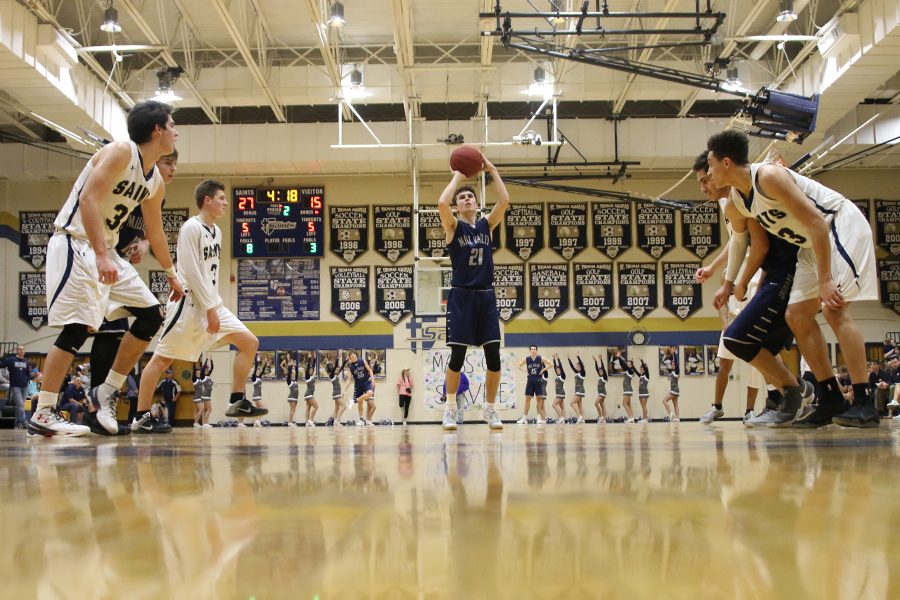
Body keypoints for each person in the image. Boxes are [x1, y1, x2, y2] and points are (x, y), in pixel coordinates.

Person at [29, 100, 185, 438]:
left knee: (151, 316)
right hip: (76, 241)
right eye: (172, 124)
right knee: (78, 328)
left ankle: (107, 390)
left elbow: (155, 231)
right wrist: (101, 255)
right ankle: (43, 412)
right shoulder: (120, 152)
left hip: (107, 249)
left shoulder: (154, 178)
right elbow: (88, 199)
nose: (176, 131)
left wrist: (171, 274)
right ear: (157, 129)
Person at [707, 129, 878, 428]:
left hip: (837, 226)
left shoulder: (769, 177)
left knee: (835, 309)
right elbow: (738, 241)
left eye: (709, 165)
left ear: (726, 162)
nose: (707, 173)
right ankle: (830, 398)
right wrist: (729, 282)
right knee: (797, 315)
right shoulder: (737, 201)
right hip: (811, 243)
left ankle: (864, 400)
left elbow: (816, 223)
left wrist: (825, 280)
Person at [132, 179, 265, 433]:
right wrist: (210, 308)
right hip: (188, 305)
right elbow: (192, 272)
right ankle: (140, 415)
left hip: (212, 303)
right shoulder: (191, 228)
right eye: (221, 198)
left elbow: (209, 275)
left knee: (249, 342)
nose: (226, 202)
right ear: (207, 200)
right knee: (161, 359)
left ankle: (237, 400)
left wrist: (214, 306)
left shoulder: (217, 231)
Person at [86, 149, 179, 433]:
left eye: (175, 164)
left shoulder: (155, 192)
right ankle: (93, 410)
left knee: (127, 331)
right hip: (98, 258)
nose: (172, 168)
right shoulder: (129, 180)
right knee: (94, 333)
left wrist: (146, 245)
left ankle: (108, 406)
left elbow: (152, 232)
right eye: (167, 162)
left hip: (119, 265)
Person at [437, 156, 510, 431]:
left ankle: (490, 410)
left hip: (486, 296)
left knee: (494, 356)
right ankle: (451, 409)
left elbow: (504, 202)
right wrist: (457, 176)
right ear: (458, 206)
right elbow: (441, 204)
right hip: (461, 297)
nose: (467, 199)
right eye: (463, 198)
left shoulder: (485, 226)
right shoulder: (454, 227)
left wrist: (492, 169)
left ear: (476, 204)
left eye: (471, 197)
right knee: (457, 357)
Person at [693, 152, 764, 423]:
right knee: (726, 358)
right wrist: (714, 269)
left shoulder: (743, 194)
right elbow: (735, 240)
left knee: (760, 355)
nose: (703, 187)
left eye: (705, 179)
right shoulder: (726, 203)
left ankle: (759, 406)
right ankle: (718, 405)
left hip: (752, 279)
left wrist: (738, 280)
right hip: (736, 281)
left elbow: (753, 243)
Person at [516, 345, 553, 424]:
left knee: (539, 399)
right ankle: (524, 418)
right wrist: (524, 370)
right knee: (527, 399)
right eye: (532, 349)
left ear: (536, 350)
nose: (533, 350)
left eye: (534, 349)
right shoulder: (526, 359)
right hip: (530, 380)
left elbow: (551, 364)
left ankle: (538, 418)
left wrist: (544, 369)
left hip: (538, 380)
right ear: (530, 350)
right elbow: (518, 365)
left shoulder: (540, 358)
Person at [1, 345, 33, 429]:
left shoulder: (26, 361)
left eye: (23, 349)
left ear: (24, 351)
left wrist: (27, 380)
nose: (21, 351)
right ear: (17, 350)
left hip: (25, 386)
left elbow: (28, 373)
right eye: (19, 349)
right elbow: (2, 364)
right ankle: (25, 422)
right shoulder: (11, 359)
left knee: (21, 406)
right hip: (15, 386)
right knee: (20, 405)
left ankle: (17, 423)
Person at [342, 350, 376, 427]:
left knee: (370, 393)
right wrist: (344, 390)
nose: (353, 356)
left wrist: (373, 379)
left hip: (366, 382)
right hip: (358, 385)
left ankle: (354, 401)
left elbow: (370, 370)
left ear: (356, 355)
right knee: (360, 403)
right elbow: (349, 379)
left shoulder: (362, 361)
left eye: (354, 354)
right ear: (350, 357)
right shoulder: (350, 367)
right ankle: (361, 420)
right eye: (351, 355)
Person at [328, 352, 348, 426]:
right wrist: (338, 358)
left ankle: (335, 422)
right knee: (344, 406)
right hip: (336, 394)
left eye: (338, 370)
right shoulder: (332, 375)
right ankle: (337, 420)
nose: (337, 370)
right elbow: (336, 365)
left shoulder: (336, 375)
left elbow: (342, 367)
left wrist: (346, 360)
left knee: (336, 408)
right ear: (334, 369)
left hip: (337, 393)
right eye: (336, 369)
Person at [567, 354, 587, 424]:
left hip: (580, 390)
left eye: (579, 366)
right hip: (577, 391)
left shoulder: (583, 373)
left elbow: (581, 364)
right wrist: (568, 359)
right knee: (580, 405)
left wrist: (578, 357)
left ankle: (579, 416)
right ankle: (583, 419)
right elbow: (572, 367)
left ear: (581, 367)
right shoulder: (577, 372)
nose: (578, 367)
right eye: (577, 366)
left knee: (572, 403)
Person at [551, 354, 567, 424]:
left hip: (561, 393)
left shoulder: (562, 376)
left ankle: (561, 417)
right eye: (557, 370)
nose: (557, 371)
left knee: (554, 405)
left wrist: (558, 359)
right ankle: (562, 419)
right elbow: (555, 367)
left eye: (558, 370)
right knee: (562, 407)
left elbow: (561, 367)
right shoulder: (557, 376)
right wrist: (554, 359)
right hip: (558, 393)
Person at [302, 359, 318, 427]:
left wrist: (314, 358)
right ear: (308, 371)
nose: (311, 371)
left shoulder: (311, 376)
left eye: (312, 370)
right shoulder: (307, 376)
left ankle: (307, 422)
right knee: (316, 406)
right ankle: (310, 420)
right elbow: (308, 367)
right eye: (310, 370)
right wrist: (308, 359)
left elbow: (313, 367)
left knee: (308, 408)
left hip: (309, 394)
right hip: (309, 394)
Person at [593, 354, 608, 423]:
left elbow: (603, 369)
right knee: (602, 405)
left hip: (602, 393)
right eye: (599, 371)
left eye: (601, 371)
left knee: (596, 403)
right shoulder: (600, 377)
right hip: (600, 393)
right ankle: (604, 419)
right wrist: (596, 361)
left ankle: (601, 416)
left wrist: (601, 360)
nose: (600, 372)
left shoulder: (604, 377)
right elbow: (597, 369)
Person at [285, 359, 300, 426]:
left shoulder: (295, 381)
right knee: (292, 410)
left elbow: (296, 372)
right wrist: (291, 365)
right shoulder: (289, 382)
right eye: (292, 375)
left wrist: (295, 366)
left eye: (294, 375)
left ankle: (290, 420)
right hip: (292, 398)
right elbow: (289, 373)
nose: (293, 375)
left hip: (295, 398)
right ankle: (289, 422)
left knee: (293, 410)